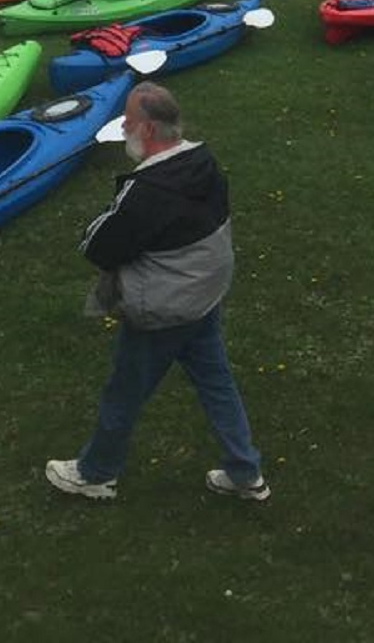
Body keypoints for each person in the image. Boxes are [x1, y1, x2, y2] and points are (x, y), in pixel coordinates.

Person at [46, 81, 268, 504]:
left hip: (165, 309)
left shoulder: (146, 191)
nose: (124, 125)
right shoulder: (203, 161)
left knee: (125, 391)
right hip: (205, 296)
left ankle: (96, 473)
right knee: (216, 381)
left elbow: (98, 246)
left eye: (129, 120)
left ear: (146, 131)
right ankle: (245, 472)